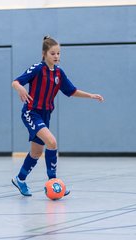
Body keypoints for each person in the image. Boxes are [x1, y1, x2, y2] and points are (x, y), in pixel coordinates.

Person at [11, 36, 104, 196]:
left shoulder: (59, 73)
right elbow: (16, 82)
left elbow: (72, 91)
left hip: (45, 115)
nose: (56, 56)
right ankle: (53, 182)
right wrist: (19, 88)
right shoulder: (37, 69)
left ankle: (20, 179)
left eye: (58, 53)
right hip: (31, 113)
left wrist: (91, 95)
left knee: (36, 152)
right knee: (52, 142)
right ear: (44, 54)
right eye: (53, 53)